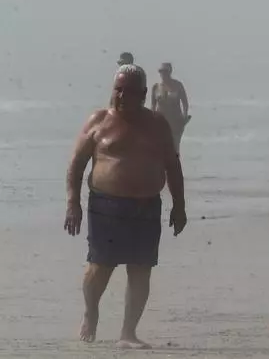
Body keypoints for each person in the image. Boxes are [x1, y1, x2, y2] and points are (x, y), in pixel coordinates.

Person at [64, 65, 187, 348]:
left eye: (128, 91)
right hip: (106, 206)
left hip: (146, 206)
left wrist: (179, 205)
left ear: (143, 94)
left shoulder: (157, 124)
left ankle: (128, 333)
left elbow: (172, 165)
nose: (121, 96)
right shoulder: (99, 120)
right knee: (100, 266)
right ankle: (91, 312)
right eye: (117, 90)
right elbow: (76, 164)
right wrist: (73, 203)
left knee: (141, 268)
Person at [150, 62, 190, 153]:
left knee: (175, 147)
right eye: (161, 71)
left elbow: (185, 103)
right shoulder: (156, 87)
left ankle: (175, 161)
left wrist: (184, 116)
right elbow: (153, 105)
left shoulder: (178, 85)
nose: (163, 74)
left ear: (170, 72)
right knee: (161, 147)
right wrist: (152, 120)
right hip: (160, 122)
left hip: (175, 121)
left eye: (165, 71)